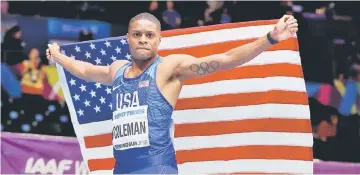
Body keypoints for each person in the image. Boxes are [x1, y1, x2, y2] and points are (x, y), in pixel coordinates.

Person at [47, 12, 298, 174]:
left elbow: (224, 60)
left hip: (156, 169)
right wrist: (59, 57)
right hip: (121, 169)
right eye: (137, 34)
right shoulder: (117, 71)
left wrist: (270, 38)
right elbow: (87, 70)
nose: (143, 39)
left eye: (149, 35)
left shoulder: (169, 68)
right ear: (128, 39)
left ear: (159, 41)